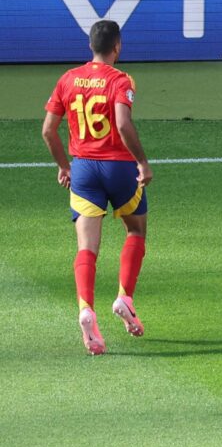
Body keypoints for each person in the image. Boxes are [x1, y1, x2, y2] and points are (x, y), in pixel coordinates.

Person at [42, 19, 153, 355]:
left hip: (85, 170)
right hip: (119, 168)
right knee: (135, 231)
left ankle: (86, 310)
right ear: (117, 46)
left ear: (91, 45)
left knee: (86, 248)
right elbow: (122, 123)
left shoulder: (68, 79)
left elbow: (48, 130)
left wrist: (65, 166)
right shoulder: (121, 80)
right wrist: (142, 163)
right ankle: (124, 298)